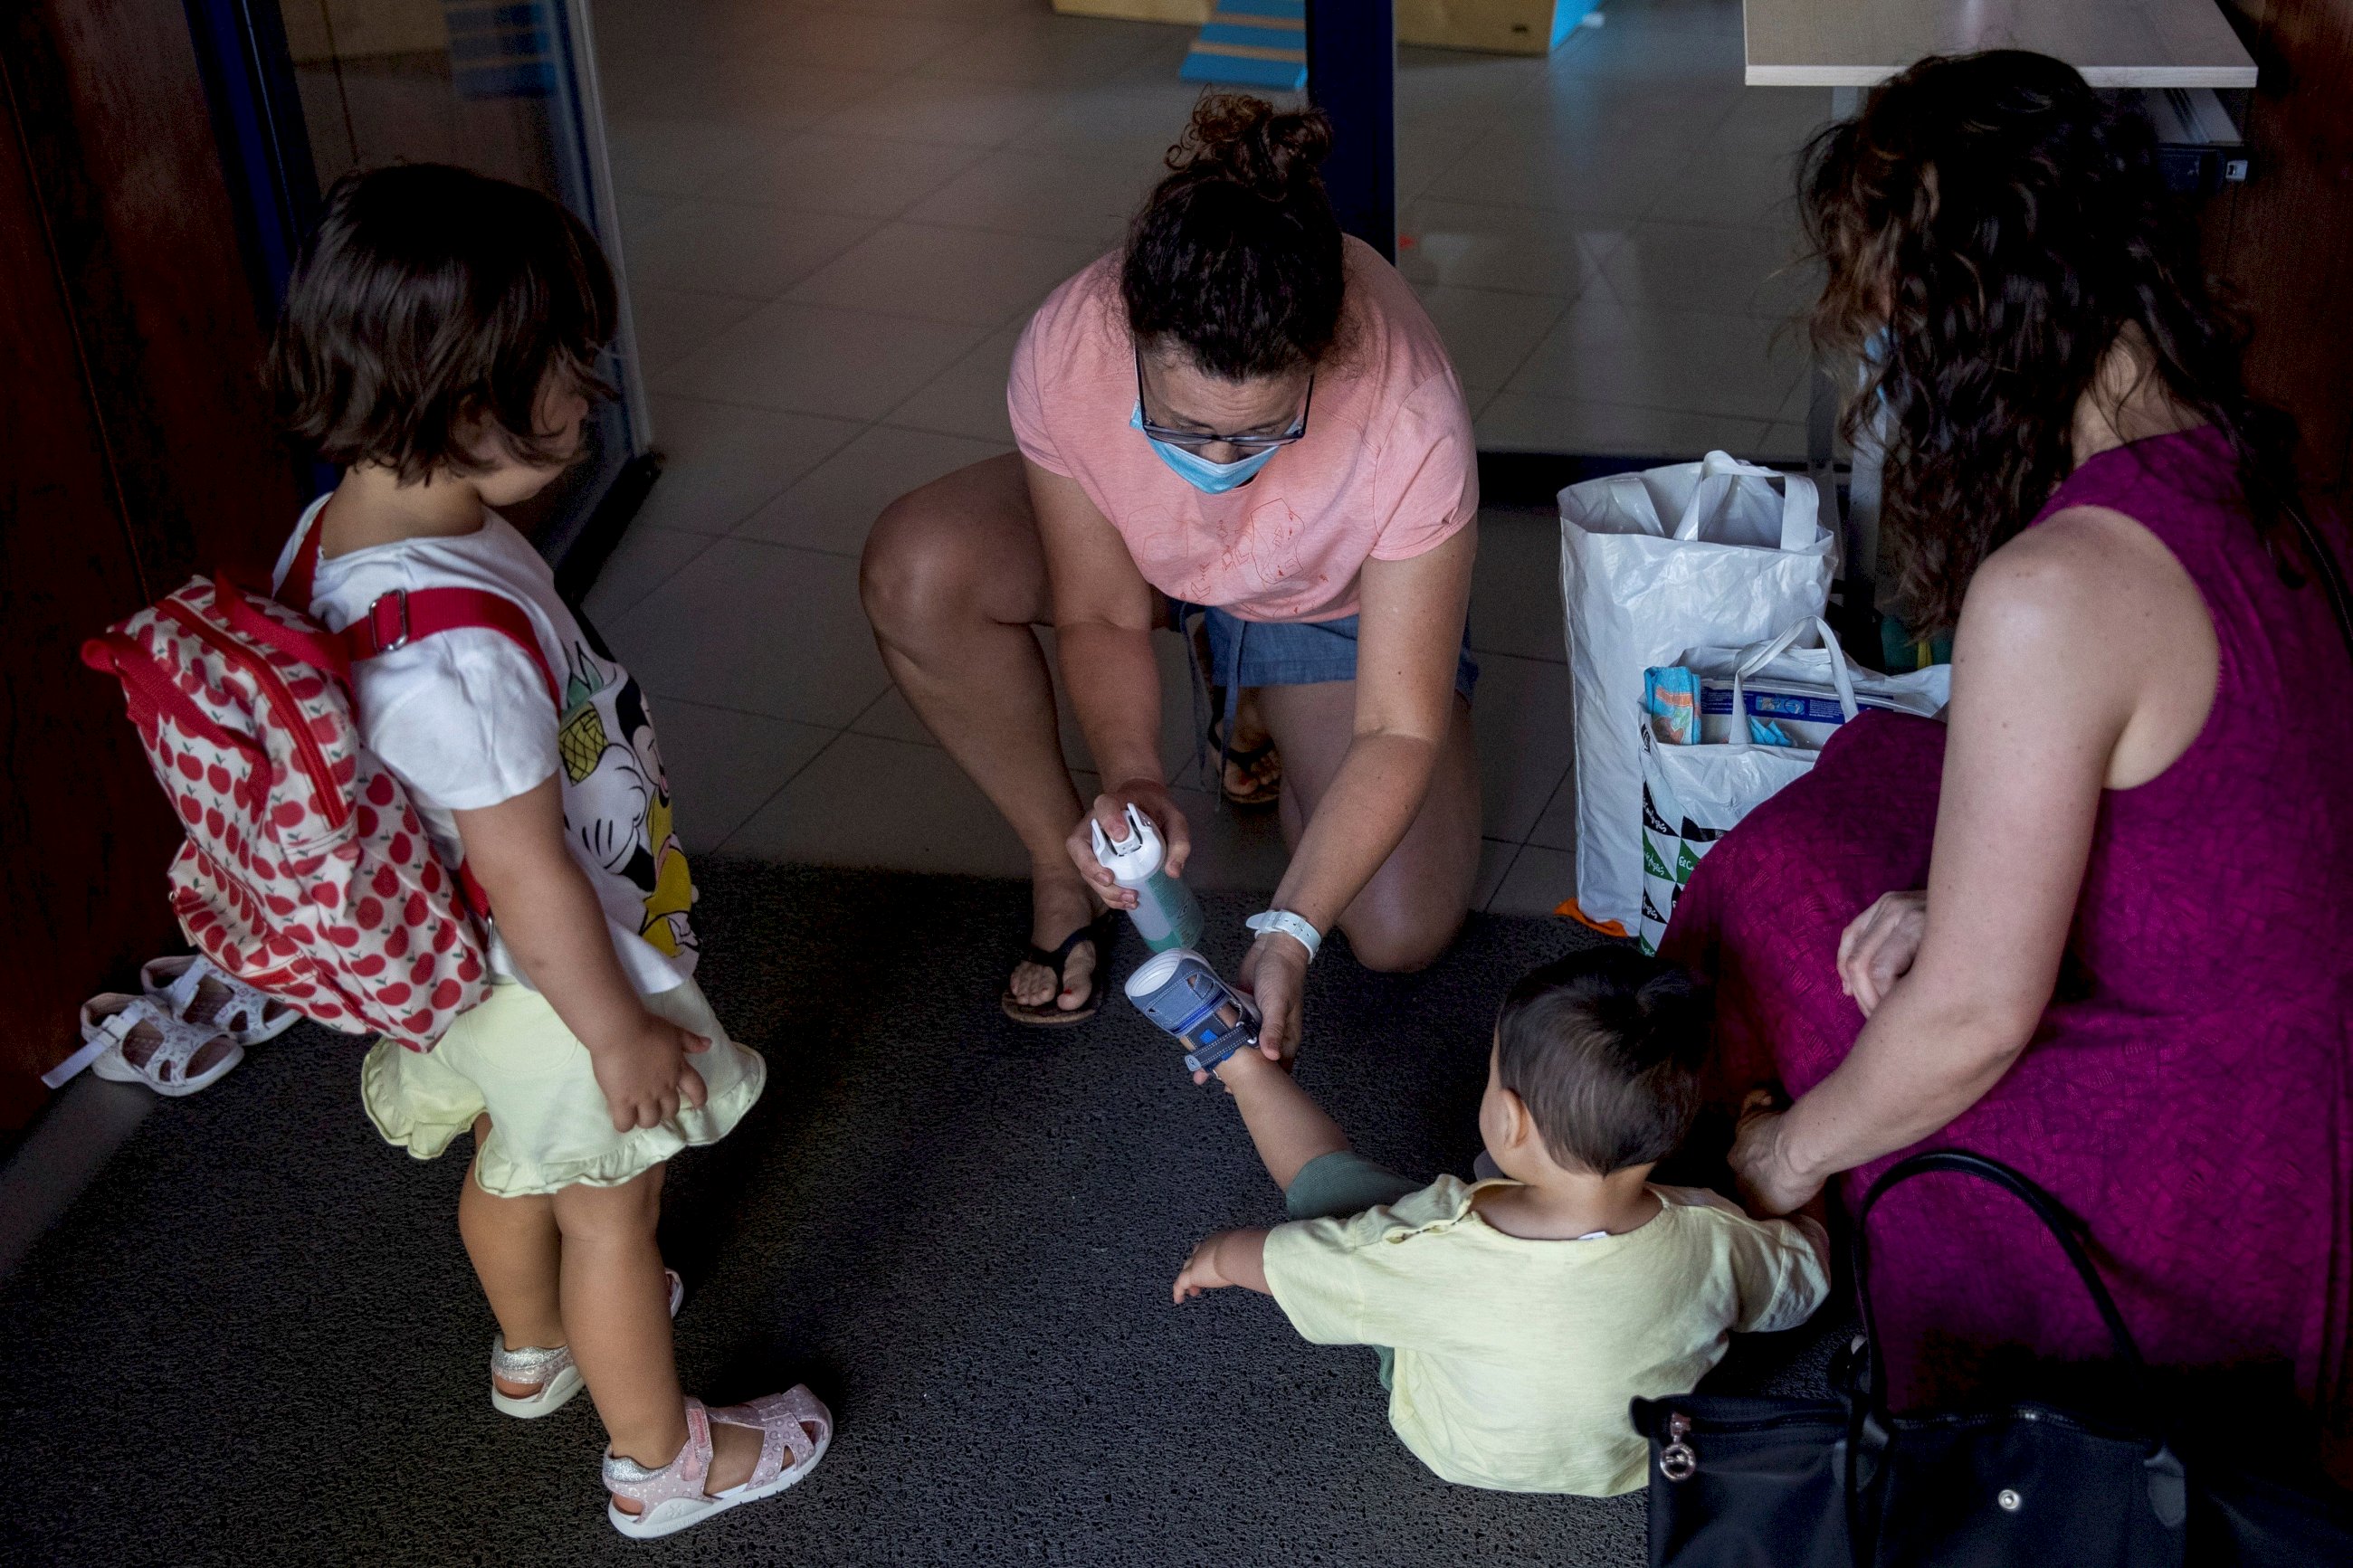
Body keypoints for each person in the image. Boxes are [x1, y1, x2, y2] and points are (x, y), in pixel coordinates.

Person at [1656, 52, 2353, 1464]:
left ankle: (1713, 1217)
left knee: (1781, 894)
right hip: (2307, 1122)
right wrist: (1963, 906)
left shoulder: (2060, 589)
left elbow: (1975, 1024)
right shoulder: (2269, 460)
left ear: (1963, 331)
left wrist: (1782, 1154)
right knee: (1871, 787)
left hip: (2195, 1219)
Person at [264, 165, 830, 1538]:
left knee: (511, 1164)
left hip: (457, 971)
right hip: (554, 980)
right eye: (563, 369)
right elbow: (527, 870)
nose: (595, 389)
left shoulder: (360, 530)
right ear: (461, 408)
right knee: (610, 1217)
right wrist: (619, 1032)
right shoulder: (454, 656)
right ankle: (662, 1463)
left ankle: (535, 1352)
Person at [862, 95, 1482, 1054]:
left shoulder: (1410, 410)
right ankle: (1060, 858)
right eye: (1182, 428)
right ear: (1133, 337)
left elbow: (1396, 727)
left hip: (1324, 594)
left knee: (1400, 930)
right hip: (1140, 557)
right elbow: (1101, 610)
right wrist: (1134, 777)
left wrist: (1289, 929)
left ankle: (1257, 679)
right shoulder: (1072, 341)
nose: (1219, 457)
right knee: (917, 568)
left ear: (1321, 361)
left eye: (1260, 430)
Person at [1171, 948, 1830, 1495]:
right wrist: (1785, 1170)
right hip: (1627, 1461)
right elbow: (1805, 1275)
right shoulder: (1715, 1234)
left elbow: (1300, 1259)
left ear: (1510, 1117)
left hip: (1457, 1444)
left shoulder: (1430, 1243)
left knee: (1322, 1186)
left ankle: (1239, 1062)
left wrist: (1224, 1254)